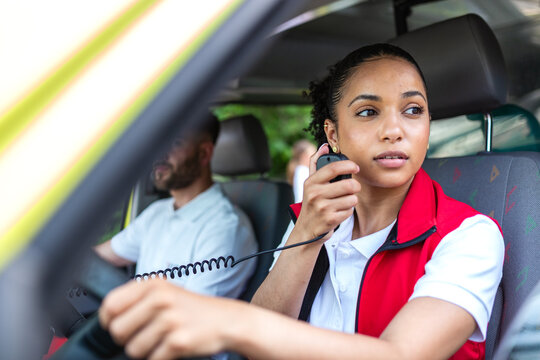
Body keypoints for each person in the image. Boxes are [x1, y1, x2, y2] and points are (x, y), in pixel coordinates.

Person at [99, 44, 504, 360]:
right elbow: (265, 331)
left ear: (428, 127)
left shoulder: (469, 237)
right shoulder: (313, 220)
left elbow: (401, 354)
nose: (394, 130)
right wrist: (308, 234)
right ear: (333, 134)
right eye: (368, 112)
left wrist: (230, 320)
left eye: (413, 110)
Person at [95, 113, 258, 298]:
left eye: (175, 143)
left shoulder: (225, 228)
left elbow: (193, 318)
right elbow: (101, 257)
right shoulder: (157, 212)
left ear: (204, 153)